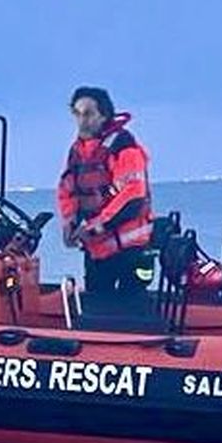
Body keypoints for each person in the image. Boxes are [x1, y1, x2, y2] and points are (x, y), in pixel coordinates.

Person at [55, 86, 154, 298]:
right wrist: (69, 222)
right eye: (77, 113)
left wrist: (97, 227)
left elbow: (133, 197)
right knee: (97, 303)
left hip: (131, 249)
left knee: (132, 309)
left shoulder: (123, 147)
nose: (82, 120)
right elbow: (67, 190)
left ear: (104, 116)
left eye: (89, 114)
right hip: (98, 250)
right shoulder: (77, 151)